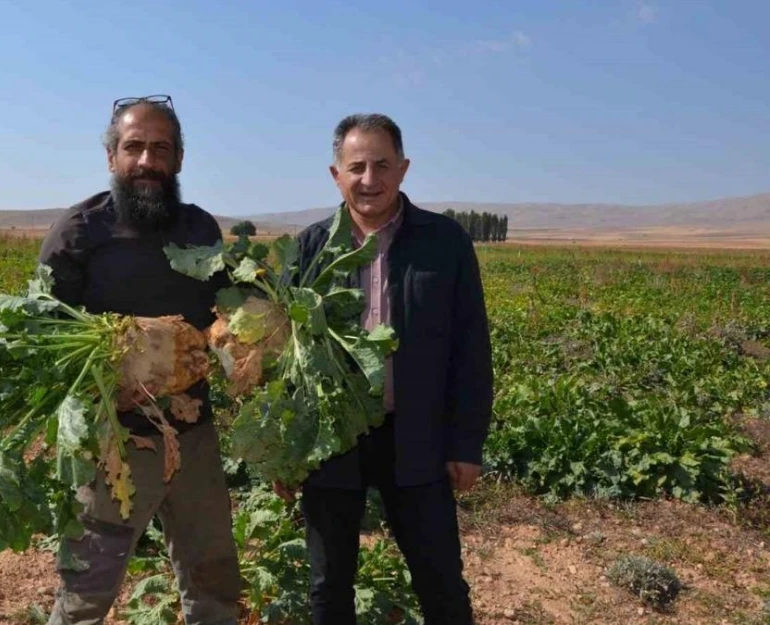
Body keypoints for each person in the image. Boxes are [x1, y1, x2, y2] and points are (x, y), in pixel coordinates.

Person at [38, 95, 241, 625]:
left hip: (194, 436)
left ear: (178, 159)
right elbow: (45, 339)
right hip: (114, 444)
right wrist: (113, 370)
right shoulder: (79, 233)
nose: (147, 161)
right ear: (112, 159)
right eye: (134, 148)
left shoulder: (201, 231)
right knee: (87, 590)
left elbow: (224, 317)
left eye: (161, 148)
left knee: (213, 578)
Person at [283, 113, 493, 625]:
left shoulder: (445, 243)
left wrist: (465, 444)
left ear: (403, 169)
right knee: (328, 587)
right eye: (356, 167)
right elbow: (285, 355)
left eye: (382, 165)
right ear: (336, 175)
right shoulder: (310, 248)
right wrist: (288, 453)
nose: (369, 179)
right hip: (332, 441)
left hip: (417, 436)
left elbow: (471, 348)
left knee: (440, 580)